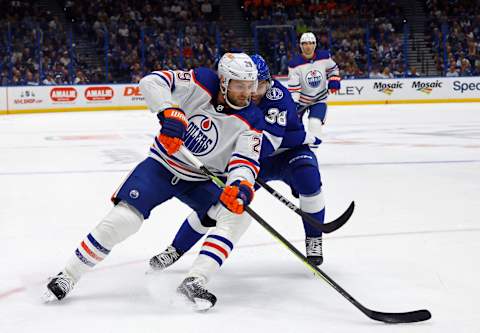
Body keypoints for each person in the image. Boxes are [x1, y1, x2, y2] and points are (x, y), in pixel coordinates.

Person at [43, 52, 263, 303]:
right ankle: (68, 275)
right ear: (223, 81)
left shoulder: (253, 118)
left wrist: (241, 185)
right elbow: (152, 82)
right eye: (240, 86)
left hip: (200, 180)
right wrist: (170, 112)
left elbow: (246, 161)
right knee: (124, 219)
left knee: (238, 217)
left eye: (250, 86)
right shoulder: (201, 81)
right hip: (161, 166)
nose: (247, 93)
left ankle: (195, 280)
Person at [149, 55, 326, 310]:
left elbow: (269, 143)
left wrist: (231, 156)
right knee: (219, 205)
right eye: (247, 84)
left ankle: (314, 239)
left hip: (286, 154)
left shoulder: (277, 97)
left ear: (268, 82)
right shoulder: (235, 96)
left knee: (309, 176)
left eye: (258, 85)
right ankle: (175, 249)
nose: (252, 92)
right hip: (252, 161)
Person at [287, 32, 341, 137]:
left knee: (315, 124)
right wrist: (294, 103)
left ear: (315, 44)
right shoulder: (294, 64)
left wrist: (334, 80)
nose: (308, 46)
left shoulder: (324, 57)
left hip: (319, 98)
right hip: (301, 101)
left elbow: (333, 69)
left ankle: (312, 149)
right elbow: (294, 88)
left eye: (311, 43)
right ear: (300, 45)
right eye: (305, 43)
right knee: (294, 127)